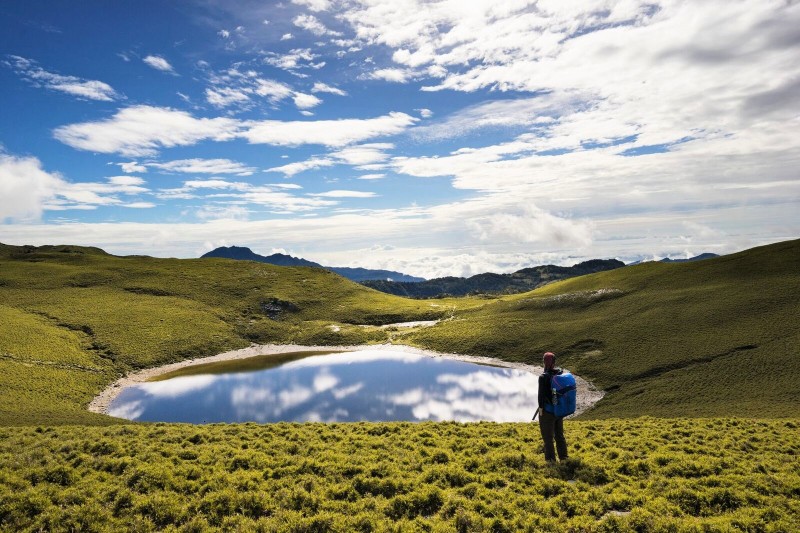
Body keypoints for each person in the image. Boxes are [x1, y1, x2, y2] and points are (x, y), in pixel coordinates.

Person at [537, 351, 568, 462]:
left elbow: (540, 397)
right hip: (558, 410)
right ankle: (564, 458)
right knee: (559, 435)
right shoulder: (559, 374)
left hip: (547, 412)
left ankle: (551, 461)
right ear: (554, 362)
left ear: (545, 362)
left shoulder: (543, 377)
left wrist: (541, 412)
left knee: (548, 438)